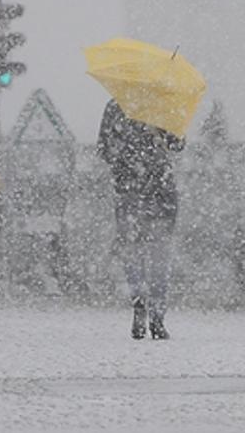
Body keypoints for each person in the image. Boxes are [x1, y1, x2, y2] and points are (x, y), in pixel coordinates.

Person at [97, 99, 184, 340]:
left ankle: (143, 307)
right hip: (154, 189)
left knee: (139, 252)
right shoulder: (162, 104)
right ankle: (154, 314)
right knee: (155, 254)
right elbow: (178, 144)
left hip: (134, 189)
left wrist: (130, 151)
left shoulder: (117, 104)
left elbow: (104, 149)